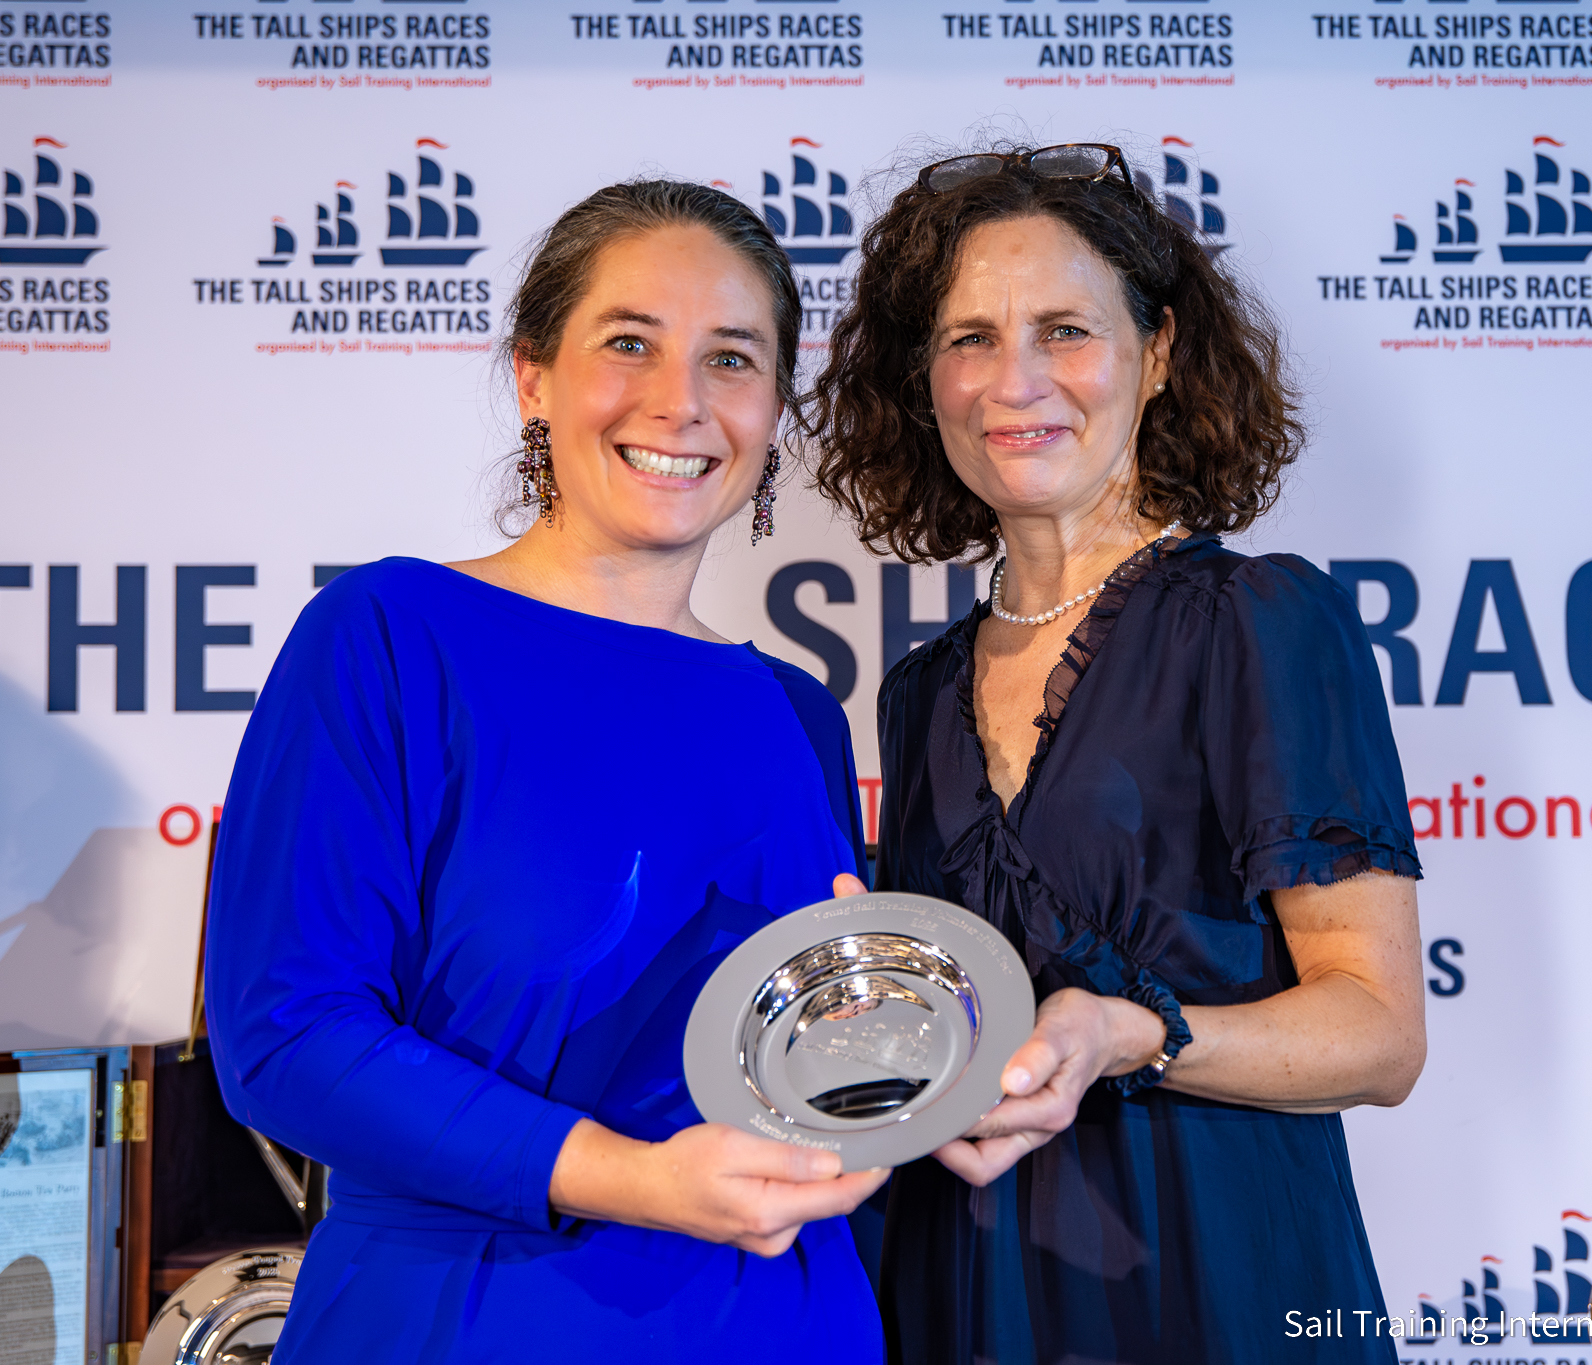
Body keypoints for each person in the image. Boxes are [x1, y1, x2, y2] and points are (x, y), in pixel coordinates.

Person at [205, 181, 888, 1361]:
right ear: (533, 376)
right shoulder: (392, 635)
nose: (680, 401)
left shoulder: (796, 714)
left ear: (775, 407)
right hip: (471, 1319)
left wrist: (883, 1054)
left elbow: (809, 1081)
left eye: (731, 359)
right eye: (629, 343)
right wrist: (630, 1178)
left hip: (784, 1320)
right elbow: (287, 1037)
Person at [807, 144, 1428, 1363]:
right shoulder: (918, 693)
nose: (1014, 381)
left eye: (1064, 331)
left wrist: (1132, 1033)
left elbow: (1379, 1035)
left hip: (1213, 1276)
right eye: (968, 338)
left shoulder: (1259, 622)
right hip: (962, 1278)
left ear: (1157, 355)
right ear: (923, 381)